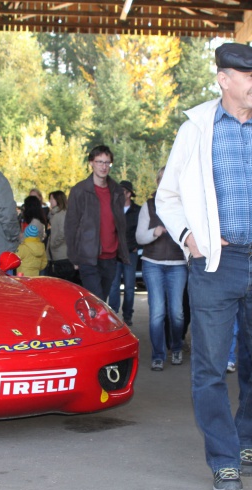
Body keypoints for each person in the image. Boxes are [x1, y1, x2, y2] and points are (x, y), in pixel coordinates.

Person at [156, 43, 252, 490]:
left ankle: (248, 437)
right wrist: (189, 238)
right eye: (248, 76)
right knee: (208, 365)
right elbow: (168, 196)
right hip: (216, 264)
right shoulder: (197, 129)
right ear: (224, 80)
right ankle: (225, 459)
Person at [136, 167, 186, 370]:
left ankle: (176, 348)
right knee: (157, 312)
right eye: (164, 180)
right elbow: (139, 238)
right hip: (153, 264)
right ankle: (158, 355)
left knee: (177, 313)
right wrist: (154, 232)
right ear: (157, 182)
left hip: (178, 265)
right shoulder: (148, 206)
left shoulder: (186, 205)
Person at [64, 145, 129, 301]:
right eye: (99, 162)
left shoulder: (117, 191)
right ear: (91, 163)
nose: (103, 166)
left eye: (107, 163)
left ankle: (94, 324)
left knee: (101, 302)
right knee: (96, 301)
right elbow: (71, 225)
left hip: (111, 256)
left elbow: (120, 225)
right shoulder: (79, 191)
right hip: (88, 256)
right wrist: (74, 258)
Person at [108, 180, 141, 326]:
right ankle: (114, 314)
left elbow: (141, 231)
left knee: (129, 286)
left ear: (129, 194)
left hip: (130, 253)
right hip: (115, 253)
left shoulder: (138, 211)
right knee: (114, 285)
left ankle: (127, 315)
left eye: (122, 192)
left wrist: (135, 246)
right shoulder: (113, 209)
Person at [46, 190, 77, 282]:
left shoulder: (61, 214)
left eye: (52, 199)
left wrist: (54, 244)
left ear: (58, 200)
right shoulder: (55, 214)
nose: (50, 201)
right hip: (58, 255)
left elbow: (63, 232)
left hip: (62, 255)